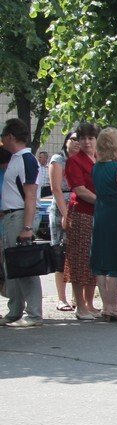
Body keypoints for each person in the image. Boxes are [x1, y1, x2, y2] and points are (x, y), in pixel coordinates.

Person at [1, 118, 44, 327]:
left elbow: (30, 196)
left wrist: (27, 227)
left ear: (10, 136)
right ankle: (14, 311)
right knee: (13, 266)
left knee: (25, 265)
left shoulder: (26, 159)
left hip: (20, 216)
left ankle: (34, 314)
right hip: (12, 215)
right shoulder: (17, 158)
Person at [89, 128, 117, 321]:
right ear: (116, 146)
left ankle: (105, 306)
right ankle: (113, 306)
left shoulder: (96, 167)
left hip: (101, 213)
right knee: (115, 261)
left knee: (101, 262)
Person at [64, 122, 100, 320]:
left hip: (98, 215)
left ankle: (90, 303)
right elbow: (79, 189)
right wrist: (103, 202)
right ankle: (80, 306)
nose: (87, 142)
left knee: (94, 259)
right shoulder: (74, 161)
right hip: (81, 214)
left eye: (91, 138)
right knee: (79, 259)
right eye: (83, 138)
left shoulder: (99, 158)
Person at [48, 132, 78, 311]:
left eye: (78, 139)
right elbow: (56, 189)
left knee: (78, 253)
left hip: (79, 206)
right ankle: (61, 298)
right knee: (61, 252)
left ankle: (78, 298)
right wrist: (66, 214)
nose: (76, 143)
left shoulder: (84, 159)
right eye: (72, 139)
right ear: (66, 141)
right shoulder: (58, 159)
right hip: (62, 207)